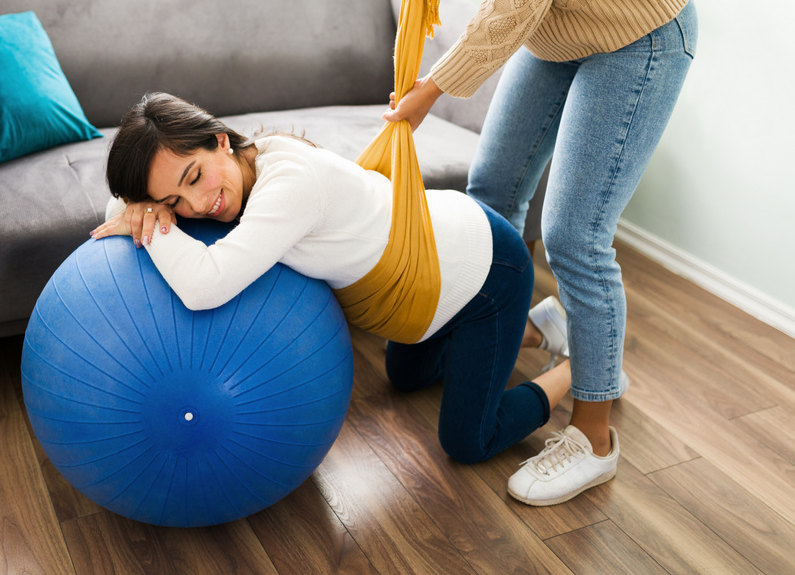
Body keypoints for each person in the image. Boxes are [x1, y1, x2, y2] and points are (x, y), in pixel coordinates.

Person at [384, 0, 697, 505]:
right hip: (557, 27)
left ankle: (594, 438)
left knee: (575, 235)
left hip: (635, 31)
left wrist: (435, 86)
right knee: (491, 197)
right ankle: (533, 330)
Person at [91, 91, 573, 466]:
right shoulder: (244, 166)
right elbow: (118, 202)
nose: (195, 207)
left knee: (469, 441)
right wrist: (140, 206)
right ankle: (533, 330)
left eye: (194, 178)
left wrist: (149, 224)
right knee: (407, 377)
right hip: (426, 279)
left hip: (487, 269)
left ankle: (580, 369)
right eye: (171, 202)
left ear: (220, 139)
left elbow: (203, 287)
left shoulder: (289, 184)